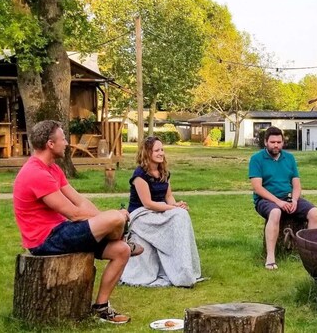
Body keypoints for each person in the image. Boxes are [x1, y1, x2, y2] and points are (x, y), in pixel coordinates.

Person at [12, 120, 140, 324]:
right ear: (50, 144)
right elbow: (74, 214)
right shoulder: (35, 173)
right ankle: (120, 233)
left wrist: (104, 223)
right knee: (116, 217)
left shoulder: (53, 169)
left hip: (62, 231)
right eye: (63, 139)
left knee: (121, 250)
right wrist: (111, 221)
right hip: (46, 240)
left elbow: (79, 200)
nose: (67, 143)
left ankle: (101, 308)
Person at [120, 136, 202, 287]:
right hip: (141, 215)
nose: (161, 153)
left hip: (158, 212)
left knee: (182, 215)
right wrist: (173, 208)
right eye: (157, 150)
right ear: (147, 153)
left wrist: (177, 205)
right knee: (178, 213)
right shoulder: (140, 175)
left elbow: (168, 196)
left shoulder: (164, 172)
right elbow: (148, 203)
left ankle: (183, 268)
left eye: (162, 150)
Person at [250, 126, 317, 270]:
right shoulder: (256, 159)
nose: (276, 145)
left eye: (279, 142)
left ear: (283, 142)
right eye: (272, 142)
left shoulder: (289, 158)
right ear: (266, 142)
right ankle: (271, 258)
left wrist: (294, 200)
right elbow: (257, 187)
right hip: (266, 200)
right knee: (275, 212)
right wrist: (278, 202)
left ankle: (314, 254)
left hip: (288, 198)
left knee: (314, 213)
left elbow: (296, 185)